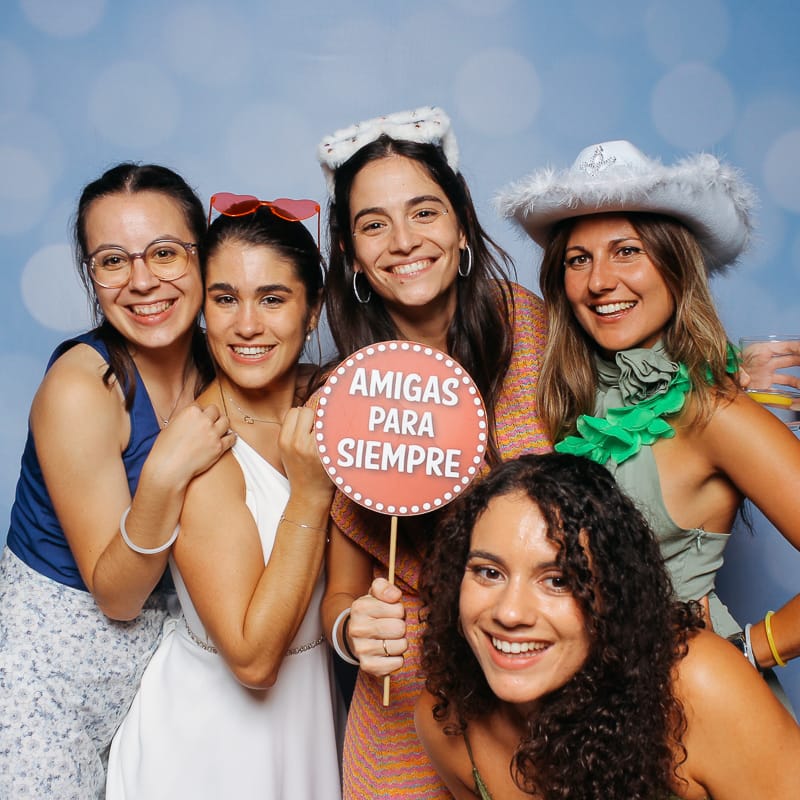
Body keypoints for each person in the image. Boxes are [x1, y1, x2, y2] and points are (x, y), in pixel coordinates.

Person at [495, 140, 800, 679]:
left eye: (627, 250)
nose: (599, 281)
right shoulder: (567, 397)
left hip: (689, 712)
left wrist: (746, 652)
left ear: (676, 265)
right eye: (578, 260)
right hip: (583, 709)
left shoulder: (716, 411)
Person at [316, 106, 549, 798]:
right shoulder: (346, 391)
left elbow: (637, 434)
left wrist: (712, 370)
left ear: (461, 224)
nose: (402, 241)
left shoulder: (538, 331)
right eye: (373, 224)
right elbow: (341, 592)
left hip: (539, 693)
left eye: (423, 212)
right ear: (350, 254)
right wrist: (351, 633)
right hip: (404, 716)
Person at [0, 163, 235, 799]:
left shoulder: (227, 359)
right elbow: (117, 598)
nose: (142, 281)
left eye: (165, 253)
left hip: (154, 674)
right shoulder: (82, 388)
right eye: (111, 261)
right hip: (45, 683)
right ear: (90, 274)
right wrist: (162, 473)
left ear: (204, 255)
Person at [106, 198, 342, 799]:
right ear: (204, 312)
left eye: (272, 298)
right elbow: (254, 660)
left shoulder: (336, 401)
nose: (246, 326)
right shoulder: (204, 451)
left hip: (309, 718)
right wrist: (309, 498)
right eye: (225, 298)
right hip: (209, 747)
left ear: (312, 311)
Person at [416, 453, 800, 799]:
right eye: (488, 572)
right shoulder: (446, 721)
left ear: (612, 593)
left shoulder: (698, 685)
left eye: (559, 580)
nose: (510, 613)